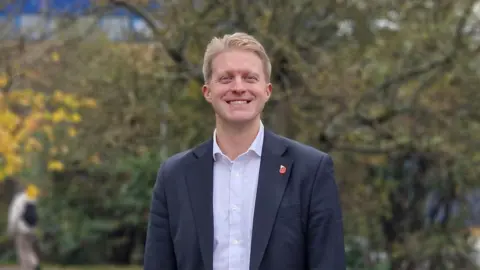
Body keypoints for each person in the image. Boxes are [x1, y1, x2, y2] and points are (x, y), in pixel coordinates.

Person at [144, 32, 346, 270]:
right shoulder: (174, 176)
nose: (238, 87)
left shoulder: (311, 170)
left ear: (267, 91)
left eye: (250, 78)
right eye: (226, 78)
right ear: (207, 91)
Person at [7, 184, 41, 270]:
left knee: (22, 250)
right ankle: (33, 264)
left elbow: (14, 215)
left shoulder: (19, 199)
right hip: (31, 229)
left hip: (21, 229)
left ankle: (32, 265)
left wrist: (11, 229)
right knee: (28, 248)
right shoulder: (32, 200)